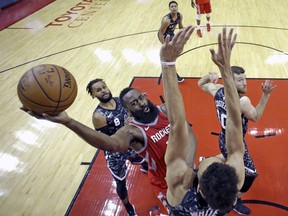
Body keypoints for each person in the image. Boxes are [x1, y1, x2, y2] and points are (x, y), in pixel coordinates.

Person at [22, 78, 195, 213]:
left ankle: (146, 165)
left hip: (184, 168)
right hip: (162, 178)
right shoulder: (121, 126)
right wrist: (68, 122)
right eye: (134, 104)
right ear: (128, 110)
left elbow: (188, 130)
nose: (141, 104)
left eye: (140, 98)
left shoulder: (164, 109)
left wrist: (188, 166)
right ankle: (128, 207)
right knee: (123, 183)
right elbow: (112, 143)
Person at [160, 26, 245, 215]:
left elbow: (176, 125)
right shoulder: (235, 183)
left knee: (188, 136)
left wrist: (167, 64)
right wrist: (226, 70)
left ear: (199, 188)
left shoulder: (181, 186)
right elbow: (234, 120)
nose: (222, 160)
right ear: (235, 195)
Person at [198, 67, 276, 214]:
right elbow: (256, 116)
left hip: (223, 138)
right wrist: (266, 95)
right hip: (235, 143)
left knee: (228, 158)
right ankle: (233, 200)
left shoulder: (218, 90)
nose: (245, 83)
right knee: (250, 174)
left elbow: (201, 84)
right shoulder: (243, 101)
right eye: (240, 80)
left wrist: (210, 76)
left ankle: (208, 160)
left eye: (245, 79)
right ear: (230, 82)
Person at [86, 78, 148, 216]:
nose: (103, 91)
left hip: (132, 144)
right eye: (98, 90)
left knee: (146, 159)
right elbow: (108, 141)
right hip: (115, 153)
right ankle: (128, 207)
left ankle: (143, 166)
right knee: (120, 183)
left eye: (104, 87)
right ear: (93, 95)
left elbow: (136, 115)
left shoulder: (121, 101)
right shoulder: (99, 116)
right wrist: (126, 127)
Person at [158, 0, 184, 83]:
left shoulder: (179, 15)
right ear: (169, 8)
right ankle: (173, 75)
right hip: (164, 37)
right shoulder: (166, 20)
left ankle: (165, 69)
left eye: (175, 6)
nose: (174, 8)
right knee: (169, 56)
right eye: (172, 7)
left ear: (177, 7)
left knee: (173, 54)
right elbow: (161, 33)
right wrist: (164, 45)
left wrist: (184, 32)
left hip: (171, 34)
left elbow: (180, 26)